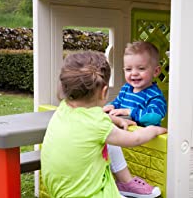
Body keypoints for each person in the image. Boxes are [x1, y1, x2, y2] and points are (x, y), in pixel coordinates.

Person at [41, 51, 167, 198]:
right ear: (104, 92)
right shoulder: (98, 124)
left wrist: (117, 120)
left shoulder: (64, 108)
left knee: (108, 139)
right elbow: (135, 139)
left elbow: (95, 117)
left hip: (60, 191)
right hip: (90, 194)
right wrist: (153, 130)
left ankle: (126, 184)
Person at [103, 41, 167, 127]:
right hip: (125, 133)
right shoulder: (126, 88)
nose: (134, 73)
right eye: (128, 69)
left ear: (155, 71)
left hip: (144, 138)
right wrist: (111, 106)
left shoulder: (154, 95)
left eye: (141, 68)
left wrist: (129, 111)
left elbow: (154, 118)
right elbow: (117, 102)